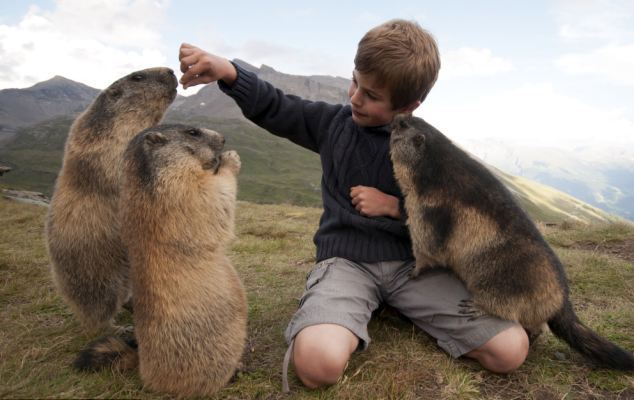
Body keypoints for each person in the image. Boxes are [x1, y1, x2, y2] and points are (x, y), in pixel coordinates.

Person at [178, 18, 529, 390]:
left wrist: (396, 208)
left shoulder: (430, 150)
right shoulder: (333, 124)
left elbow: (458, 221)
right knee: (317, 366)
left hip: (414, 268)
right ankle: (353, 307)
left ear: (409, 105)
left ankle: (393, 305)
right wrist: (229, 72)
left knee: (509, 350)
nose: (355, 98)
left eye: (372, 95)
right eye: (355, 82)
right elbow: (277, 107)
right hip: (346, 264)